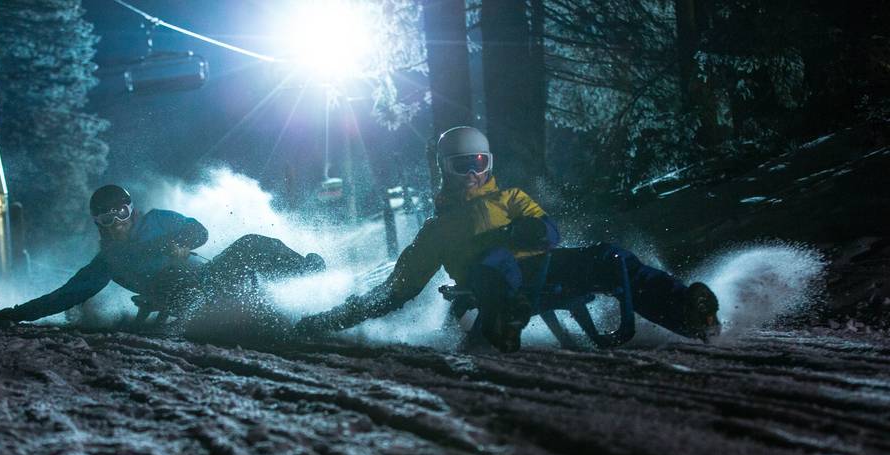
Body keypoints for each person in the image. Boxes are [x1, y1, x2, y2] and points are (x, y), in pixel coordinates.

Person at [295, 126, 720, 351]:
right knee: (494, 263)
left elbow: (548, 231)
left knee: (612, 257)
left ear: (489, 163)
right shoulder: (437, 230)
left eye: (478, 162)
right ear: (444, 168)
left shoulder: (511, 198)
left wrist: (528, 229)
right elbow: (397, 289)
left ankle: (688, 312)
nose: (472, 173)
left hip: (543, 268)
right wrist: (331, 319)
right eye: (461, 164)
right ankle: (504, 319)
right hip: (489, 281)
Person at [0, 184, 325, 327]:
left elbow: (199, 231)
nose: (118, 223)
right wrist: (17, 314)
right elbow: (68, 295)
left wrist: (182, 243)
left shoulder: (157, 221)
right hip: (178, 296)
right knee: (171, 279)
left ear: (130, 209)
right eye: (107, 219)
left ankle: (307, 275)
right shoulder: (109, 261)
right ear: (98, 224)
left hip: (209, 278)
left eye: (121, 213)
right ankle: (213, 318)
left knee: (251, 243)